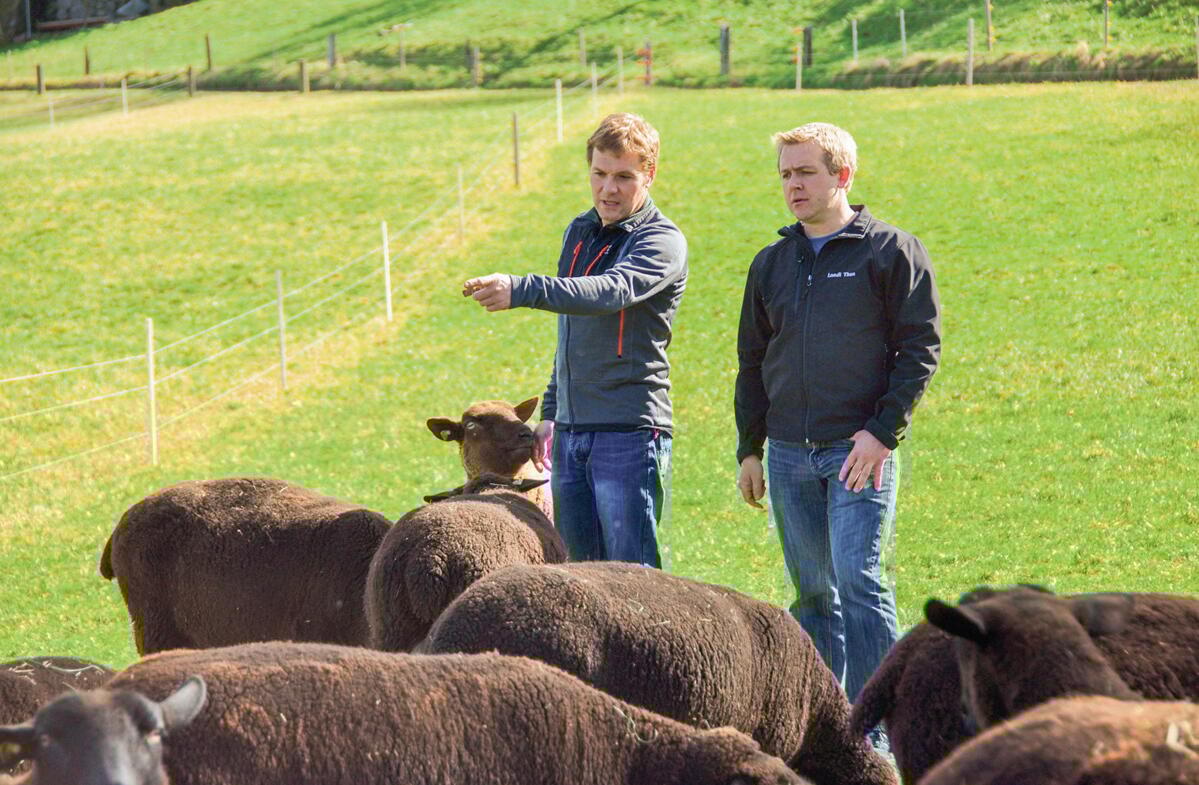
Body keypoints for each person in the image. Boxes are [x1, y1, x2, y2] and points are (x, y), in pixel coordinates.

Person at [733, 122, 941, 732]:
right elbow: (751, 361)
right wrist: (750, 448)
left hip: (860, 451)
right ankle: (828, 731)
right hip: (790, 457)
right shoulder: (770, 263)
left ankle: (884, 730)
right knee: (814, 597)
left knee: (859, 581)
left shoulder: (891, 251)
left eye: (805, 172)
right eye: (786, 174)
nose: (793, 185)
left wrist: (882, 432)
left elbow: (920, 349)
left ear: (842, 176)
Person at [463, 112, 687, 568]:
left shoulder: (662, 241)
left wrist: (522, 288)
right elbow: (571, 325)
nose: (609, 189)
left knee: (630, 576)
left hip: (629, 433)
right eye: (600, 174)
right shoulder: (579, 232)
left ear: (650, 175)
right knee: (576, 577)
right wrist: (552, 411)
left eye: (624, 177)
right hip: (571, 435)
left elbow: (610, 292)